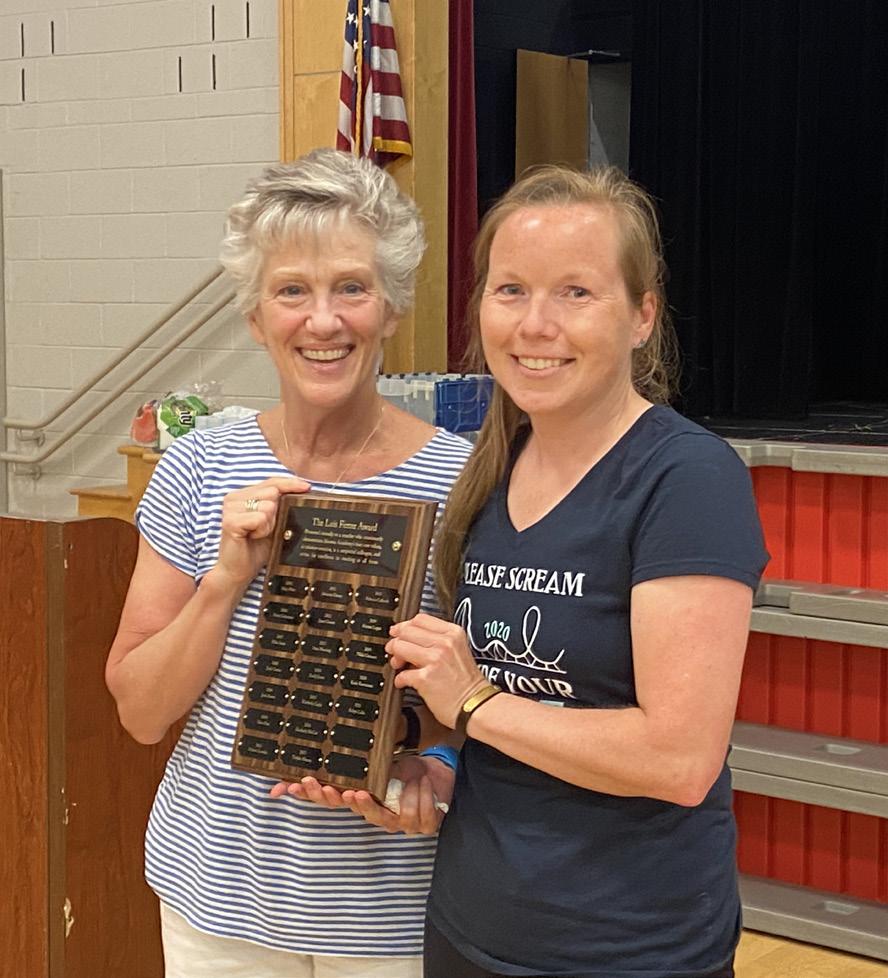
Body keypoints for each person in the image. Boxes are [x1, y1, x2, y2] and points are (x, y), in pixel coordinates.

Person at [347, 164, 769, 977]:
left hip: (628, 948)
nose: (536, 325)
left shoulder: (687, 480)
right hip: (470, 925)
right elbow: (494, 704)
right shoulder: (490, 469)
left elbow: (678, 761)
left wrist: (472, 703)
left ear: (642, 316)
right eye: (511, 290)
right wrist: (432, 760)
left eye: (576, 293)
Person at [105, 148, 472, 978]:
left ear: (391, 307)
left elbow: (488, 696)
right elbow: (140, 710)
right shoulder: (199, 466)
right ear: (255, 317)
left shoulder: (463, 483)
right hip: (217, 902)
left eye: (352, 287)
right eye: (292, 291)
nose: (323, 321)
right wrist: (225, 582)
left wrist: (439, 764)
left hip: (393, 907)